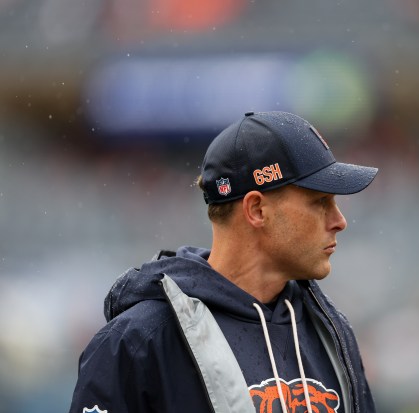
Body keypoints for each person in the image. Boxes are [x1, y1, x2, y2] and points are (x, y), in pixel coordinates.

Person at [69, 111, 378, 413]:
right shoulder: (139, 342)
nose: (339, 221)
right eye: (320, 202)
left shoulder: (330, 330)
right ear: (256, 209)